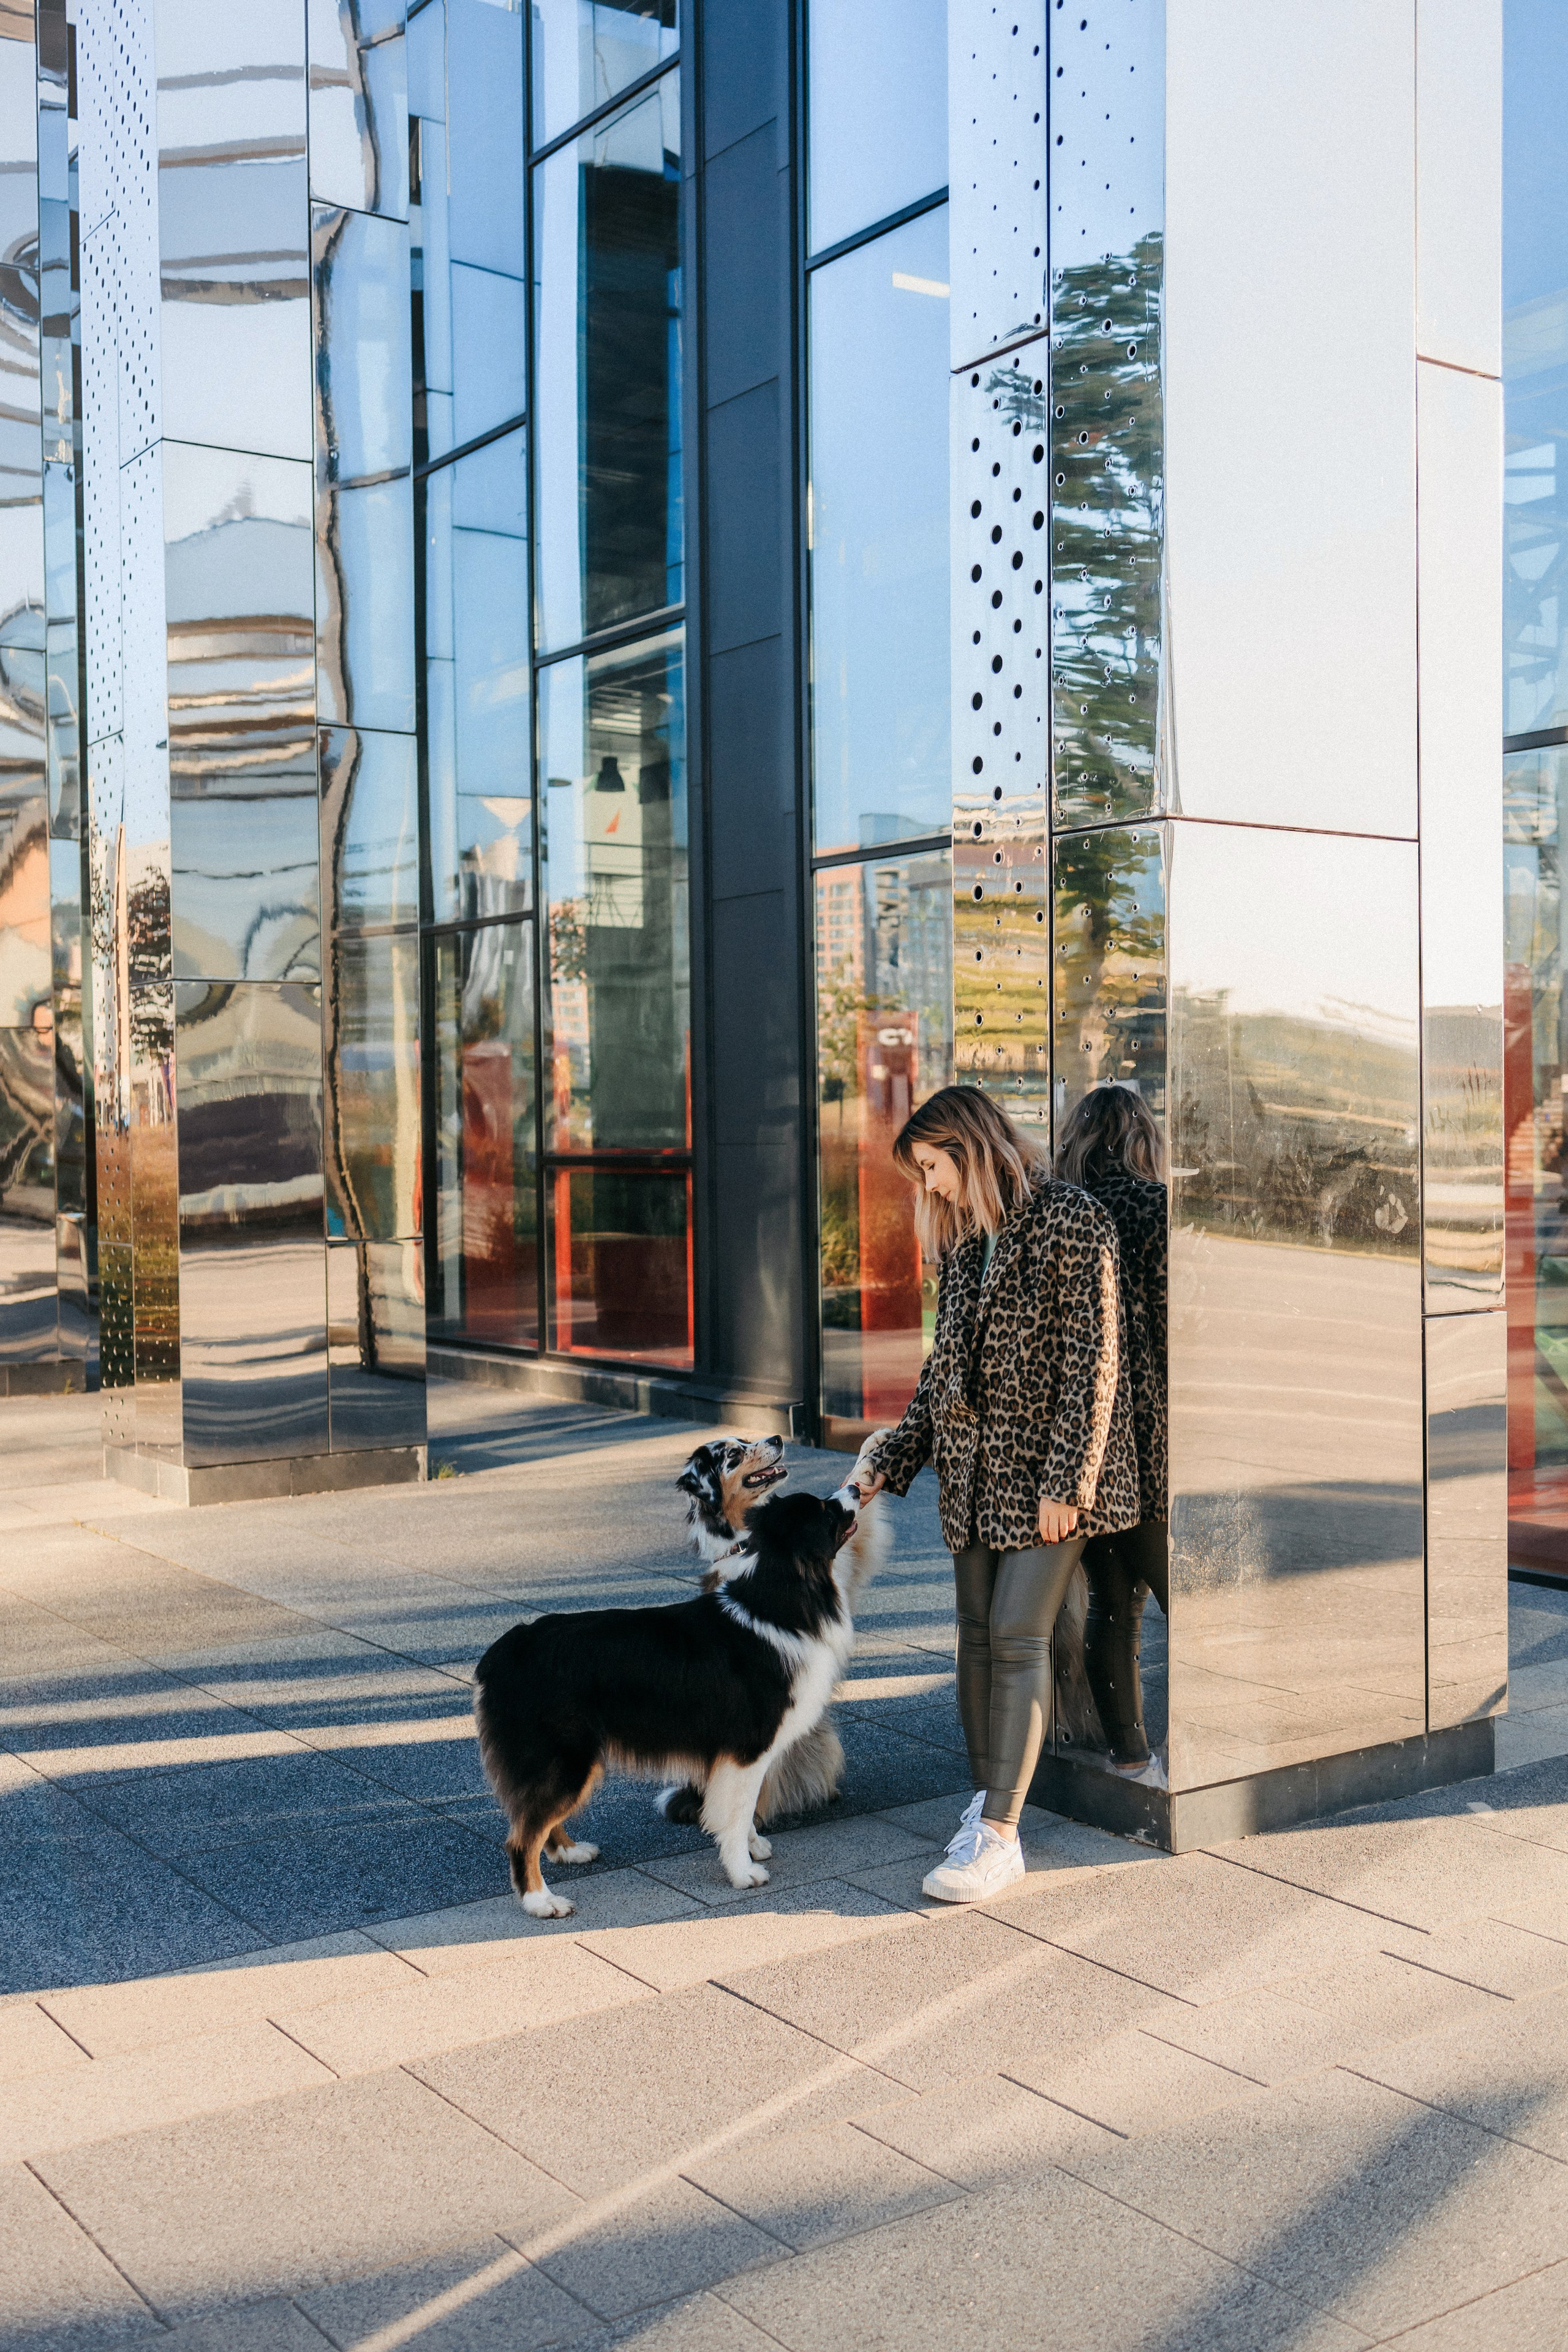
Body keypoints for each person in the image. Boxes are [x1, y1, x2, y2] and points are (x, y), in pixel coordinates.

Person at [862, 1085, 1139, 1902]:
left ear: (969, 1145)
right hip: (974, 1476)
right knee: (976, 1637)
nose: (929, 1186)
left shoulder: (1072, 1218)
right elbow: (942, 1372)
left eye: (932, 1167)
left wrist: (1068, 1484)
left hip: (1046, 1478)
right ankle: (986, 1807)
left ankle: (1002, 1841)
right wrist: (893, 1455)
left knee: (1018, 1634)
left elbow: (1097, 1362)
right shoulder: (965, 1239)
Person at [1055, 1085, 1169, 1783]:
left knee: (1113, 1604)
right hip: (1150, 1438)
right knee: (1188, 1596)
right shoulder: (1154, 1209)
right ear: (1139, 1138)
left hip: (1088, 1450)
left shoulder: (1066, 1214)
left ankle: (1129, 1753)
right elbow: (1170, 1322)